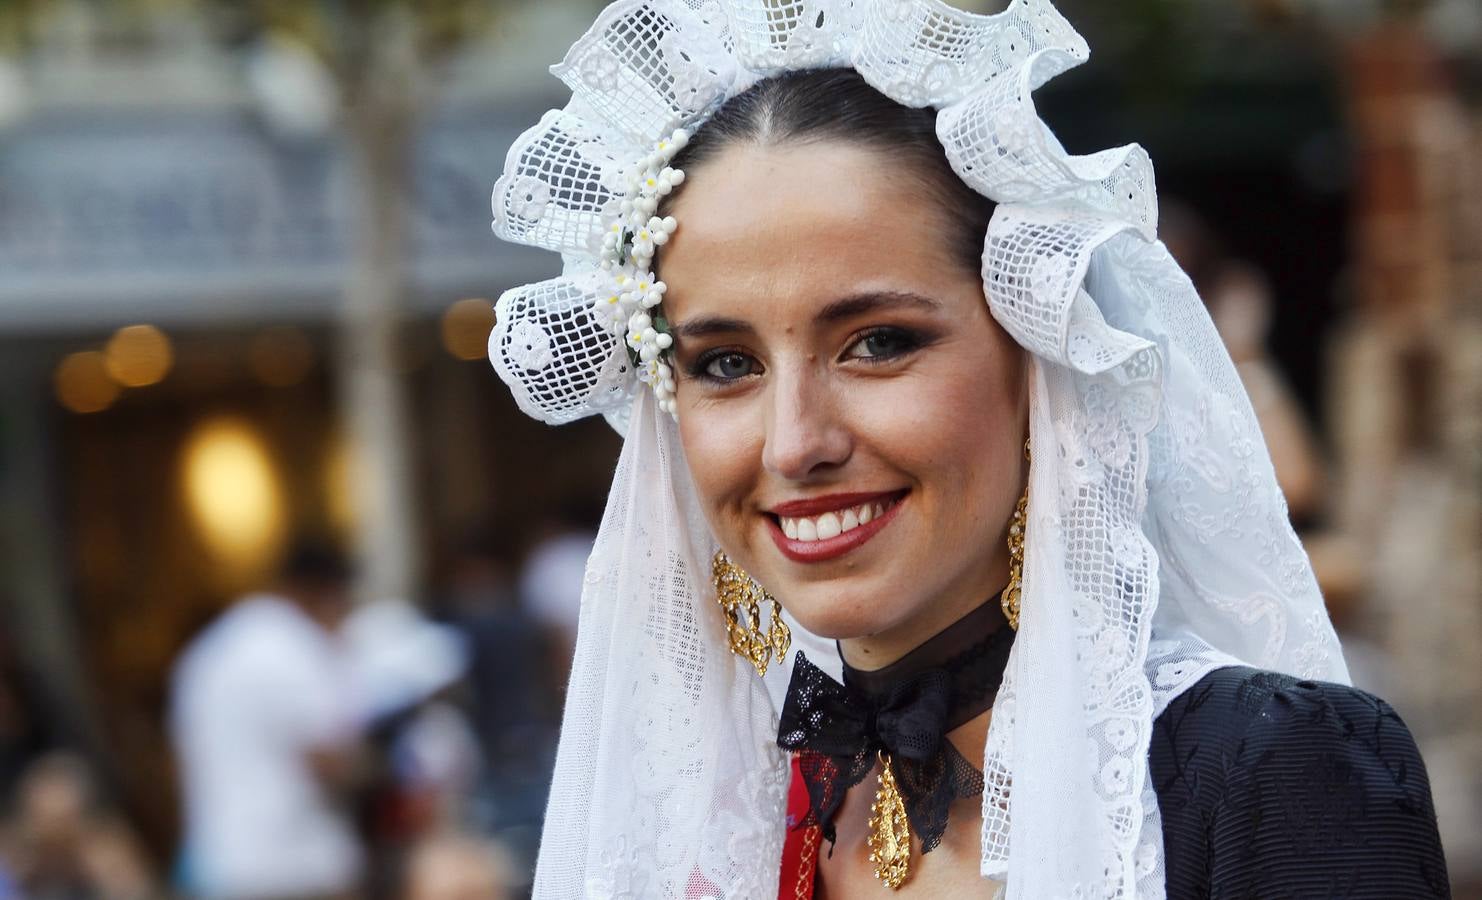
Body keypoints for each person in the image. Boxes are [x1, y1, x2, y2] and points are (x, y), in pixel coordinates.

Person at [485, 0, 1451, 896]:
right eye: (727, 363)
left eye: (878, 344)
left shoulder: (1261, 773)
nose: (794, 444)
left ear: (1037, 357)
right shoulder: (727, 818)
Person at [169, 542, 365, 900]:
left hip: (220, 866)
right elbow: (329, 758)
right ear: (325, 592)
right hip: (292, 869)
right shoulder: (295, 646)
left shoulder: (208, 650)